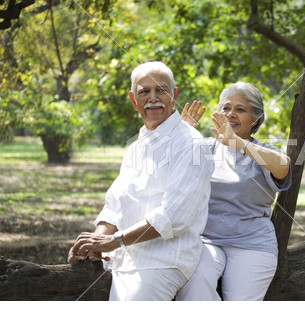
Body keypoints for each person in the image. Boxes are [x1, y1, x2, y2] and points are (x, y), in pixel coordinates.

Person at [67, 61, 214, 301]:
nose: (153, 98)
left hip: (164, 261)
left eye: (161, 90)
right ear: (133, 99)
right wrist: (96, 241)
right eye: (144, 91)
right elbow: (114, 206)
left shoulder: (191, 144)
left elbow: (173, 217)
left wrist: (111, 241)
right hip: (124, 258)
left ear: (174, 95)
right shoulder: (135, 147)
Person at [177, 81, 292, 301]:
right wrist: (182, 135)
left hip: (252, 244)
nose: (231, 114)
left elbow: (284, 165)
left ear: (255, 119)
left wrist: (238, 143)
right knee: (194, 286)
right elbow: (169, 172)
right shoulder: (206, 148)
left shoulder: (261, 152)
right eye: (226, 108)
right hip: (205, 242)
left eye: (240, 109)